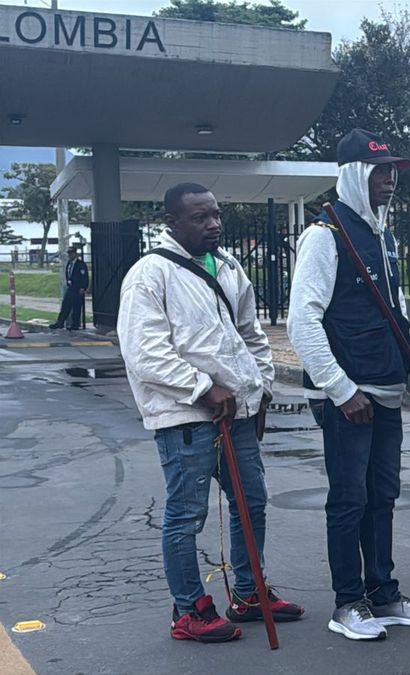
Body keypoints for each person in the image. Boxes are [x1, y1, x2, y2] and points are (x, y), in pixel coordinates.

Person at [118, 182, 303, 643]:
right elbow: (144, 353)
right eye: (200, 217)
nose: (213, 224)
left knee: (251, 502)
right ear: (172, 222)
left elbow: (251, 335)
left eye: (216, 214)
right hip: (184, 417)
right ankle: (189, 610)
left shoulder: (228, 266)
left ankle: (248, 591)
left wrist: (259, 391)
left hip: (237, 412)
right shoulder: (150, 274)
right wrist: (203, 388)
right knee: (186, 515)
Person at [288, 128, 410, 642]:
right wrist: (340, 388)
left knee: (383, 495)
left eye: (393, 170)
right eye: (379, 170)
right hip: (348, 396)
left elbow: (394, 314)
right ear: (354, 174)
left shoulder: (383, 235)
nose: (390, 179)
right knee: (349, 498)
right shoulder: (325, 235)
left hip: (385, 387)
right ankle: (347, 603)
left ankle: (384, 593)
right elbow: (302, 321)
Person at [50, 246, 89, 330]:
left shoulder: (80, 264)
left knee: (76, 307)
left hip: (78, 288)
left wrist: (83, 287)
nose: (70, 255)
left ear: (75, 254)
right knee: (66, 305)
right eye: (69, 253)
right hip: (71, 287)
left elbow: (84, 277)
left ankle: (75, 324)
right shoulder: (69, 263)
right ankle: (60, 322)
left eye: (71, 253)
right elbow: (68, 274)